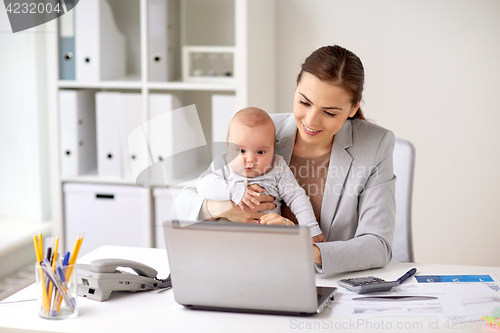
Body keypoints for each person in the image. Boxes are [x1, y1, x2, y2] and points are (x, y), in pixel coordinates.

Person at [175, 45, 396, 276]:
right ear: (296, 88)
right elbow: (183, 203)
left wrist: (305, 248)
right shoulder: (262, 131)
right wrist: (226, 208)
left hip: (326, 282)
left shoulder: (375, 144)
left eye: (329, 112)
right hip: (250, 271)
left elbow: (378, 245)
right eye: (304, 102)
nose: (311, 121)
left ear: (354, 108)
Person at [196, 107, 325, 241]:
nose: (250, 159)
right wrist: (233, 190)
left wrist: (311, 228)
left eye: (261, 152)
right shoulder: (223, 163)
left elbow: (296, 196)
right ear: (228, 146)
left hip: (267, 240)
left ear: (273, 148)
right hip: (226, 240)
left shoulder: (277, 166)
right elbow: (203, 185)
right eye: (241, 150)